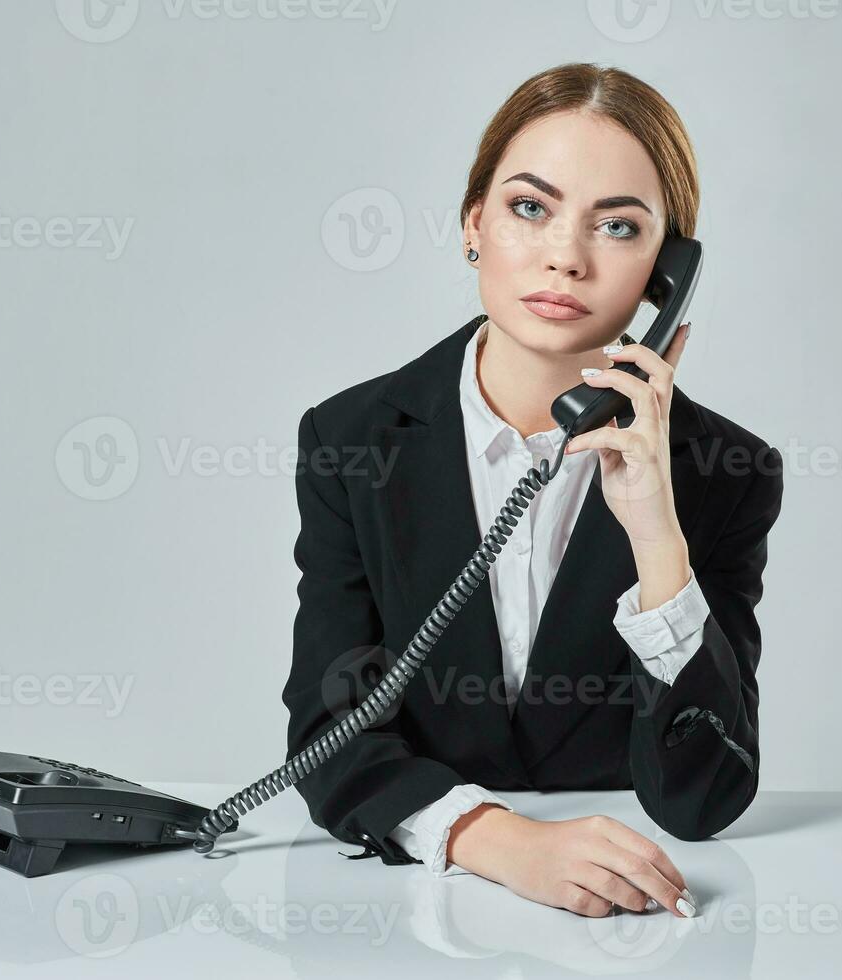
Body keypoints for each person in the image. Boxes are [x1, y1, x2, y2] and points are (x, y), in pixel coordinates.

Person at [283, 62, 783, 919]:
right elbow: (327, 739)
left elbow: (702, 801)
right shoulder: (351, 441)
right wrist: (502, 841)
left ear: (669, 273)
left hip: (635, 930)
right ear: (473, 223)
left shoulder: (723, 473)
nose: (566, 256)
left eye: (618, 227)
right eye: (529, 208)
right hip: (407, 923)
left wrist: (656, 535)